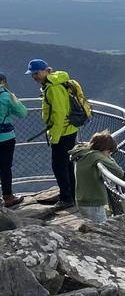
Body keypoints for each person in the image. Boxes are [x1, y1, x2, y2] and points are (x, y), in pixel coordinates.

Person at [26, 58, 79, 208]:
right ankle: (69, 194)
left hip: (62, 132)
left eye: (36, 73)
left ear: (45, 71)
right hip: (69, 129)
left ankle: (66, 198)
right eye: (32, 74)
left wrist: (54, 136)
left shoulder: (53, 87)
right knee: (66, 164)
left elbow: (59, 112)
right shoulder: (55, 82)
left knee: (58, 165)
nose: (34, 77)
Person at [70, 131, 124, 224]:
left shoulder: (84, 151)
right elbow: (119, 172)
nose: (110, 154)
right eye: (109, 152)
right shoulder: (96, 156)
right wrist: (109, 159)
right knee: (101, 229)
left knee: (92, 227)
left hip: (83, 199)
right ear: (103, 149)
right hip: (93, 202)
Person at [0, 72, 29, 207]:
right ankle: (8, 197)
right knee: (5, 167)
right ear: (3, 82)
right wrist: (14, 100)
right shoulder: (6, 96)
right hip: (5, 137)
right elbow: (23, 113)